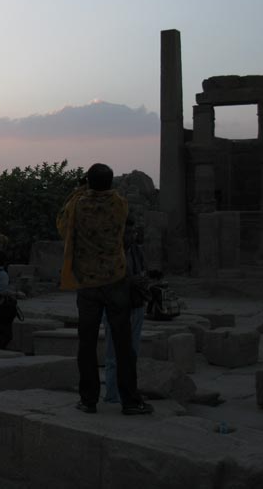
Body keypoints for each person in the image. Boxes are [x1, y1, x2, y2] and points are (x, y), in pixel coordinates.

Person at [57, 163, 153, 415]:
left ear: (88, 182)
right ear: (110, 183)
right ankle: (130, 400)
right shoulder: (120, 204)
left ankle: (88, 400)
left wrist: (78, 190)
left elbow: (61, 224)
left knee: (86, 344)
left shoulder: (77, 205)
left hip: (88, 283)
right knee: (123, 344)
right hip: (115, 279)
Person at [103, 218, 147, 403]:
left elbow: (143, 271)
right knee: (113, 354)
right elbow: (106, 280)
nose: (132, 236)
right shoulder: (110, 253)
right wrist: (130, 281)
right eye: (128, 233)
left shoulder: (137, 251)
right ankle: (112, 394)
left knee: (132, 352)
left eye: (133, 232)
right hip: (115, 307)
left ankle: (129, 392)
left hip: (136, 305)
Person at [0, 250, 25, 349]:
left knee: (0, 333)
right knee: (6, 335)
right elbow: (2, 291)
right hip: (0, 306)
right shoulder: (2, 274)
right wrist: (17, 294)